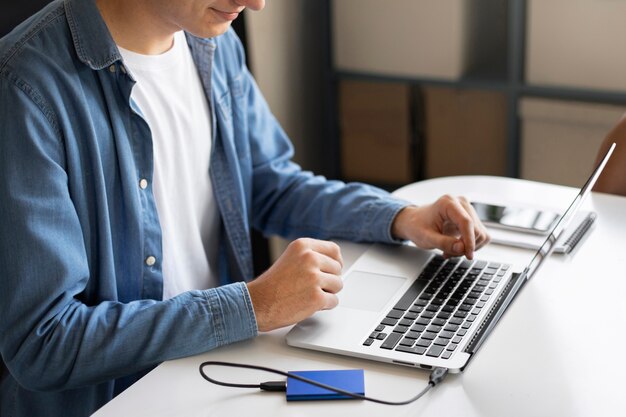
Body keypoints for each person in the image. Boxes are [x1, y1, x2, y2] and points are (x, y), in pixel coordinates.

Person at [0, 0, 490, 415]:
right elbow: (43, 343)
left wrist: (398, 216)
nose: (255, 3)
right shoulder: (26, 88)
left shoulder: (211, 42)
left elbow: (267, 184)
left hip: (214, 374)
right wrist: (252, 306)